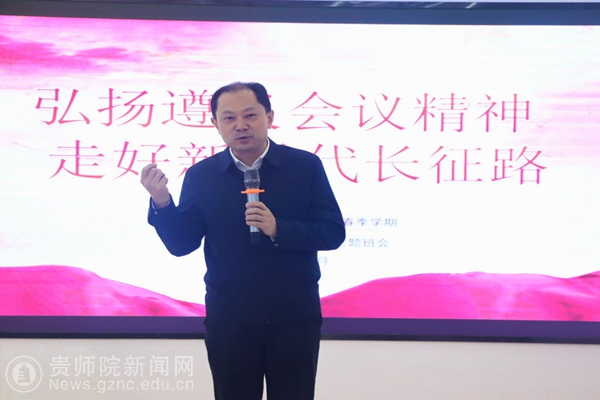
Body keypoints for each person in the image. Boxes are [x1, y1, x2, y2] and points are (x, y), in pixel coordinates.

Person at [140, 82, 345, 400]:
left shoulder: (305, 167)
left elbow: (332, 231)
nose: (240, 125)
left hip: (293, 316)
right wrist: (163, 202)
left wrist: (279, 228)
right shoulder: (202, 175)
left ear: (269, 117)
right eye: (229, 118)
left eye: (250, 115)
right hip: (230, 318)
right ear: (216, 124)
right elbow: (182, 244)